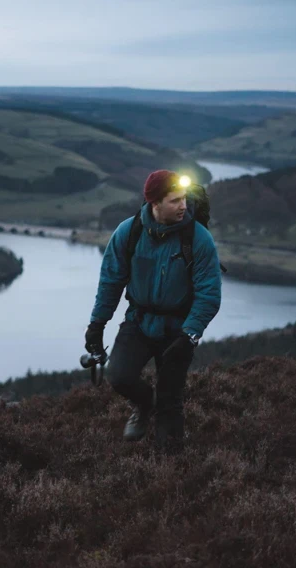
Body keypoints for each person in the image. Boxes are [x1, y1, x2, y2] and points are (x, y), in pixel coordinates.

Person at [85, 169, 222, 452]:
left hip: (178, 329)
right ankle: (144, 404)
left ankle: (169, 471)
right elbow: (111, 281)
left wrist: (190, 336)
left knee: (171, 403)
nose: (183, 206)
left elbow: (209, 294)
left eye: (184, 199)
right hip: (139, 321)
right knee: (120, 378)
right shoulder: (129, 232)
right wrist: (97, 324)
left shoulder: (198, 238)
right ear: (155, 203)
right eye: (175, 201)